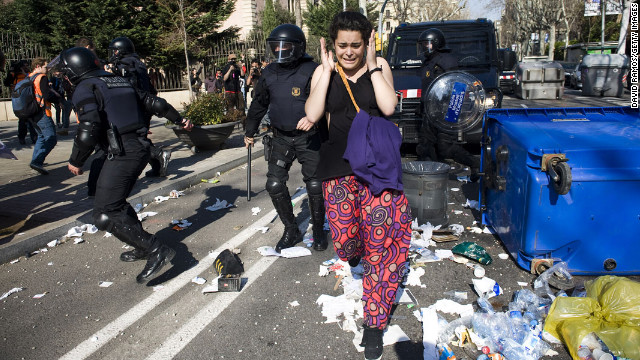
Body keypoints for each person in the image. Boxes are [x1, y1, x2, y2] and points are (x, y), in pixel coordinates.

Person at [304, 12, 412, 360]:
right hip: (338, 168)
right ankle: (357, 255)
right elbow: (314, 112)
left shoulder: (378, 65)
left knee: (380, 247)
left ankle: (375, 323)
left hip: (377, 171)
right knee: (347, 242)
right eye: (342, 45)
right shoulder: (325, 71)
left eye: (355, 45)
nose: (348, 52)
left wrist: (374, 65)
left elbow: (388, 106)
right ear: (333, 45)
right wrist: (325, 70)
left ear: (366, 43)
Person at [52, 47, 193, 283]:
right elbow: (153, 102)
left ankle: (155, 249)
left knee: (104, 214)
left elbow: (88, 129)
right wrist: (179, 119)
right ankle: (140, 245)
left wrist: (76, 160)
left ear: (74, 71)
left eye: (65, 73)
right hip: (136, 147)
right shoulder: (116, 80)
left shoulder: (86, 87)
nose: (64, 78)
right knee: (113, 202)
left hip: (123, 151)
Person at [243, 24, 328, 252]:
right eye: (276, 46)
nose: (280, 51)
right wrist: (249, 131)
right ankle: (291, 229)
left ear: (298, 48)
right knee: (274, 183)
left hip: (309, 137)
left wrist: (316, 120)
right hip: (280, 137)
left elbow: (325, 102)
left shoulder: (312, 69)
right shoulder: (269, 72)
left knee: (315, 184)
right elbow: (259, 103)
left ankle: (319, 229)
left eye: (286, 46)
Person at [416, 28, 480, 176]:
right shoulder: (428, 62)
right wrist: (422, 105)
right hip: (429, 111)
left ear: (436, 44)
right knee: (426, 145)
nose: (425, 47)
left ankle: (475, 163)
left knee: (445, 146)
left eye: (428, 44)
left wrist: (452, 111)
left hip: (445, 110)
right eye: (423, 44)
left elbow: (457, 86)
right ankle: (433, 174)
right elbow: (428, 88)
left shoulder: (447, 61)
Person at [108, 36, 171, 177]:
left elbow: (129, 88)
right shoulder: (137, 62)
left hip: (136, 107)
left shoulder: (125, 64)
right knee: (140, 138)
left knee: (136, 140)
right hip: (145, 105)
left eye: (115, 51)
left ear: (121, 50)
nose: (113, 55)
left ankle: (159, 154)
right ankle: (157, 166)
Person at [27, 57, 60, 175]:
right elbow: (46, 96)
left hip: (31, 113)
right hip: (42, 113)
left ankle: (35, 161)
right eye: (45, 67)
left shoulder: (29, 77)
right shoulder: (42, 78)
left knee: (41, 137)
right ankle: (37, 161)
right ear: (38, 66)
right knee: (51, 138)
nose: (47, 69)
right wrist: (58, 99)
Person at [4, 60, 37, 145]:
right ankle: (21, 137)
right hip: (19, 99)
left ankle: (34, 137)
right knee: (22, 120)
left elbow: (31, 80)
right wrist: (11, 72)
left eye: (27, 65)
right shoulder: (15, 75)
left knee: (31, 119)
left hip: (29, 98)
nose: (26, 67)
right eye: (24, 66)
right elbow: (7, 82)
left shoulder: (28, 74)